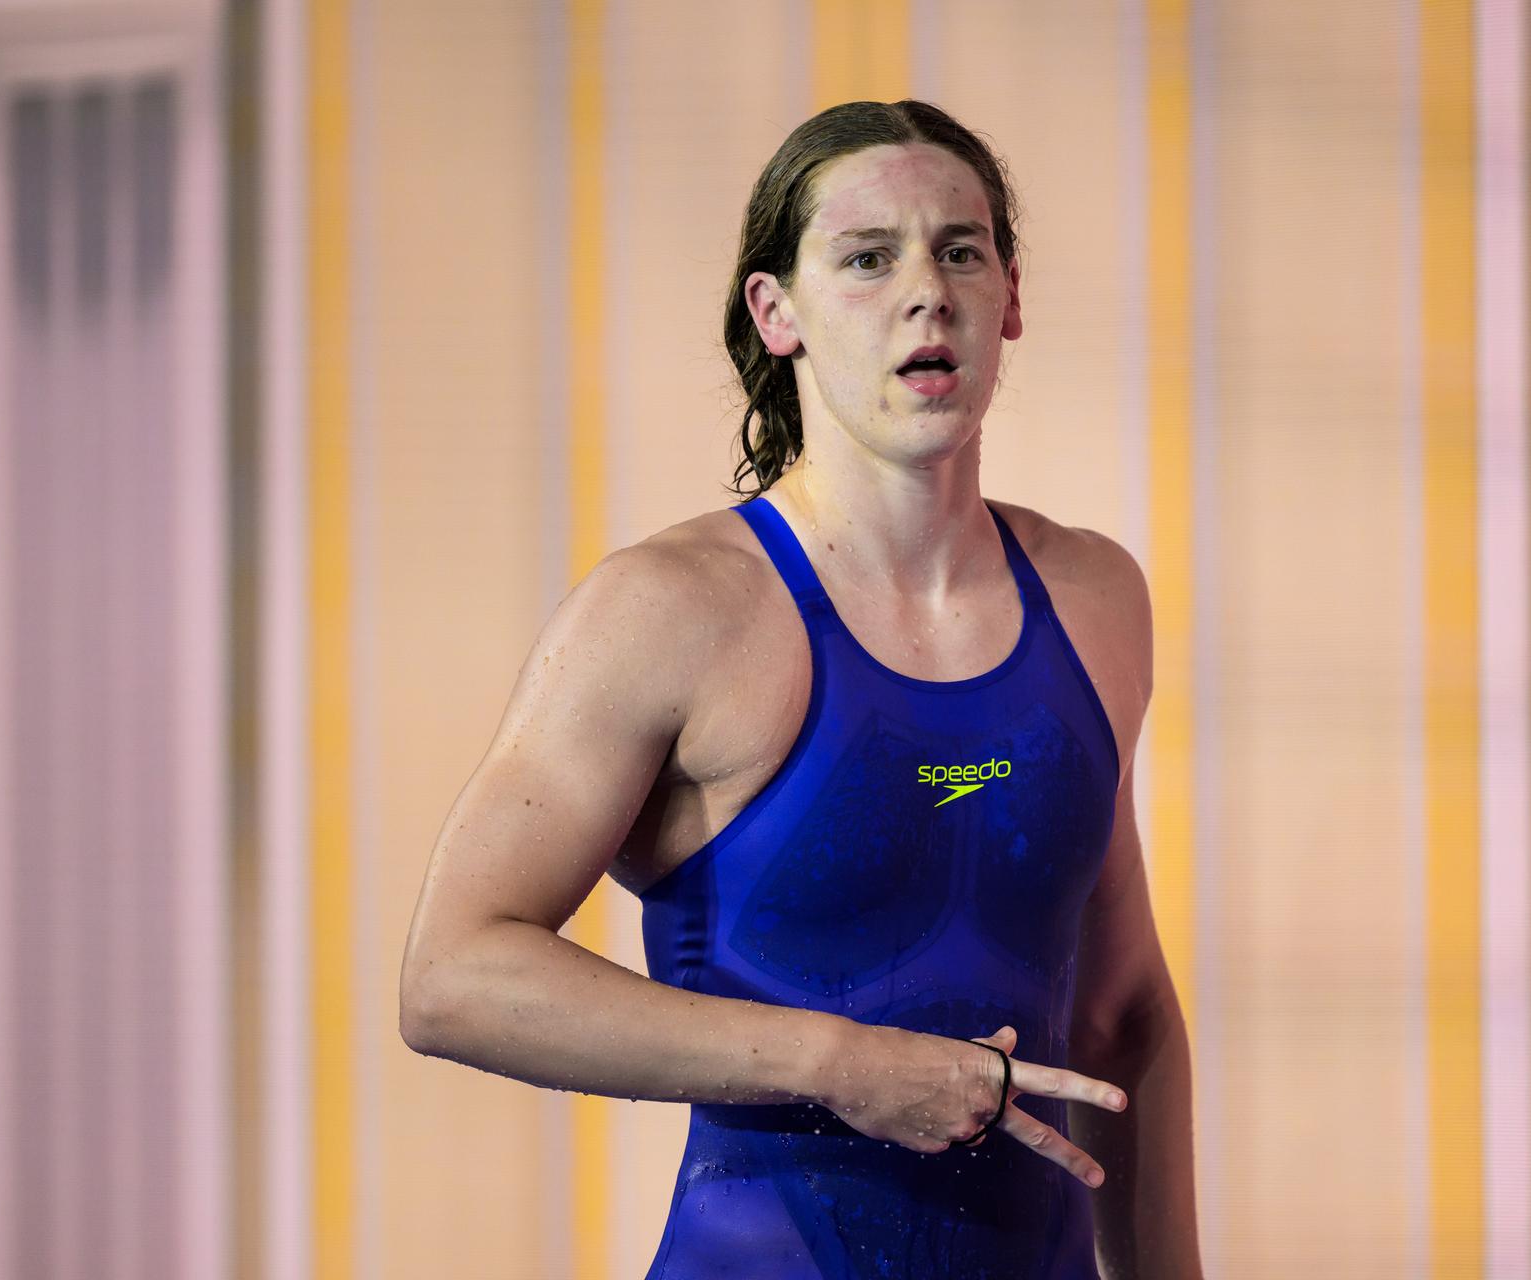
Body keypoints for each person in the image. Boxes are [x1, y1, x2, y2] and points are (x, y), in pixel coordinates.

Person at [399, 99, 1201, 1278]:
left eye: (960, 250)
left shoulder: (1095, 595)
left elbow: (1124, 1011)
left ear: (1010, 297)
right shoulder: (671, 609)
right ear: (779, 313)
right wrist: (843, 1064)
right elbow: (453, 974)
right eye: (869, 259)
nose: (927, 291)